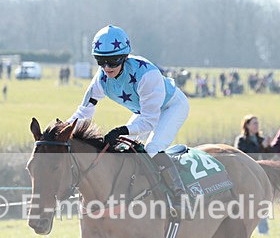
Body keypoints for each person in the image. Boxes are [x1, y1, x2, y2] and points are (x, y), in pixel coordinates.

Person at [67, 24, 189, 202]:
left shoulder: (147, 74)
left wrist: (122, 130)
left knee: (153, 149)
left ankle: (179, 195)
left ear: (124, 57)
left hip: (172, 107)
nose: (107, 67)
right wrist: (62, 130)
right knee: (122, 148)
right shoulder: (100, 79)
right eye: (101, 61)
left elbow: (149, 122)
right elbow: (84, 112)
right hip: (145, 112)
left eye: (113, 60)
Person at [234, 114, 271, 234]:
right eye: (254, 123)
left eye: (257, 123)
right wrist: (261, 147)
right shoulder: (241, 140)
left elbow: (269, 156)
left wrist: (268, 146)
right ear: (247, 125)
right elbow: (244, 157)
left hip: (260, 175)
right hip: (246, 177)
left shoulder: (261, 139)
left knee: (262, 202)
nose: (257, 125)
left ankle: (263, 231)